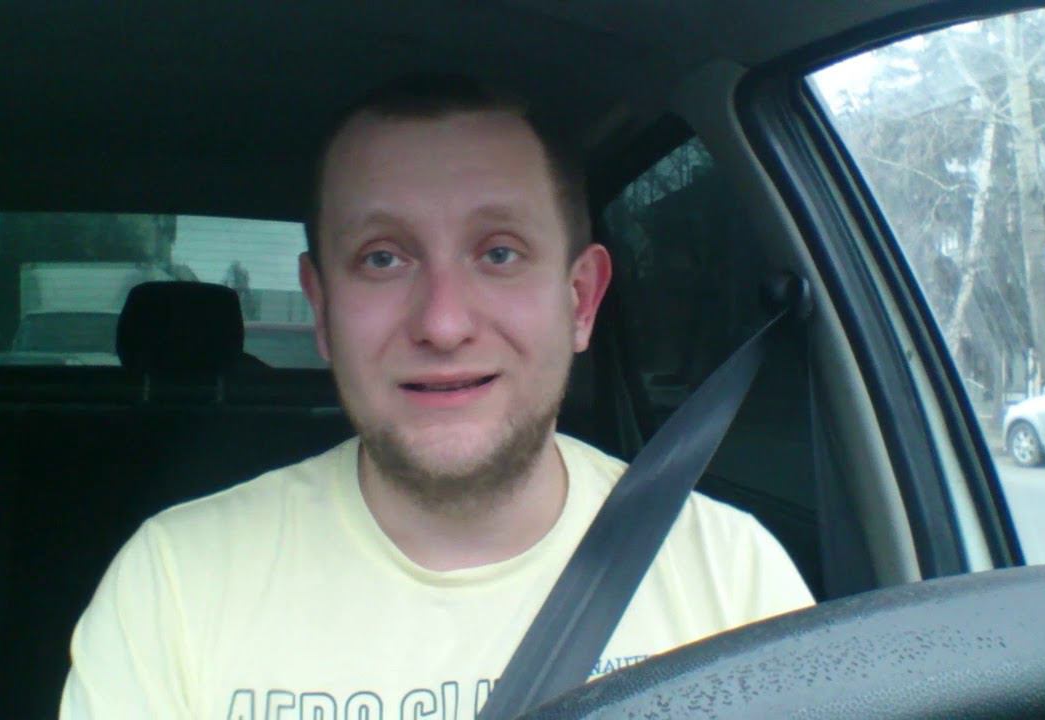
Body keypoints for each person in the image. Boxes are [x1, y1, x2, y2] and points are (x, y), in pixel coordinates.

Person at [59, 75, 813, 719]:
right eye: (382, 259)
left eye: (499, 252)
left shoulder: (732, 578)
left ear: (581, 300)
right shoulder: (175, 584)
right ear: (322, 311)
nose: (444, 324)